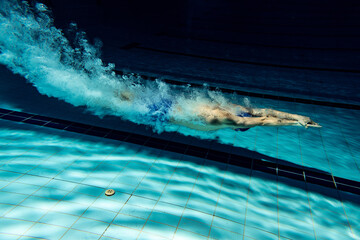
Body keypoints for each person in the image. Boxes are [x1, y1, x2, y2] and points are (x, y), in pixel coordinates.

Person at [117, 90, 321, 132]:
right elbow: (264, 120)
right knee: (112, 105)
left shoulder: (236, 109)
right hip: (161, 114)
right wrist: (295, 123)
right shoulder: (230, 120)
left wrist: (297, 116)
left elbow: (264, 112)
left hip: (166, 102)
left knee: (122, 95)